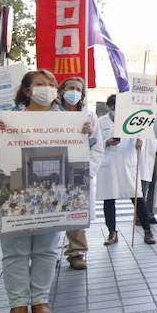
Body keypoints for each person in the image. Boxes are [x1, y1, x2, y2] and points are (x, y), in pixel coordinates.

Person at [0, 70, 95, 313]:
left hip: (54, 194)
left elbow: (86, 151)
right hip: (15, 193)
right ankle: (18, 304)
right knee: (14, 251)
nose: (46, 88)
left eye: (51, 84)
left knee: (46, 249)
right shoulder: (9, 117)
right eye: (40, 84)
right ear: (27, 90)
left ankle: (40, 300)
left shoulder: (71, 119)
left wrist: (86, 134)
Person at [96, 94, 157, 246]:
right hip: (109, 166)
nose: (117, 110)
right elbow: (94, 143)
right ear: (109, 107)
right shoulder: (100, 122)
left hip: (127, 165)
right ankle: (112, 232)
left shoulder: (133, 121)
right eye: (114, 107)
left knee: (137, 198)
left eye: (120, 107)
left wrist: (139, 143)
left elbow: (142, 139)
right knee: (109, 199)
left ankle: (147, 231)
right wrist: (106, 142)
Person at [58, 76, 103, 269]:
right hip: (54, 170)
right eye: (70, 88)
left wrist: (87, 171)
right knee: (51, 212)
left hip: (77, 172)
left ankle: (76, 253)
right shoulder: (51, 113)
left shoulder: (89, 116)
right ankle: (49, 253)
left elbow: (97, 147)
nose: (74, 92)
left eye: (78, 89)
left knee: (75, 212)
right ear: (61, 90)